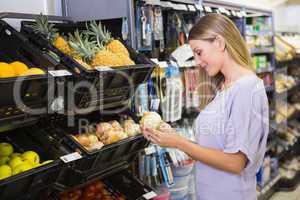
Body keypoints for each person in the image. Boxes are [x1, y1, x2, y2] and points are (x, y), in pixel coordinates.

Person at [142, 13, 269, 200]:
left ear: (219, 43)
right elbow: (214, 149)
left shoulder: (246, 89)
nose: (198, 62)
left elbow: (235, 162)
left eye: (199, 52)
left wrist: (178, 142)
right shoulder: (224, 88)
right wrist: (173, 137)